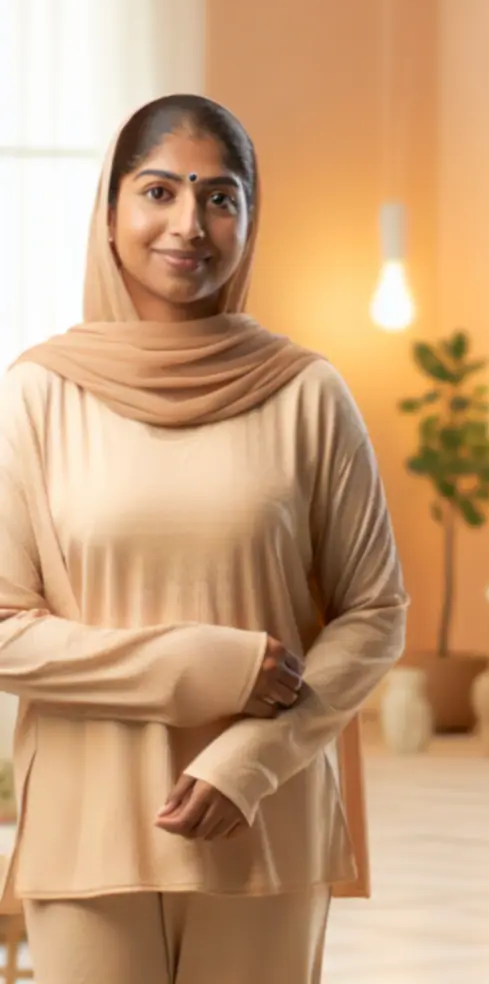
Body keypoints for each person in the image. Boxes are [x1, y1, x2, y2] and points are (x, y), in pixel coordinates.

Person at [0, 94, 408, 983]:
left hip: (265, 821)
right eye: (159, 192)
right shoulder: (36, 394)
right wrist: (203, 666)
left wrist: (251, 762)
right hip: (86, 829)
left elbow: (374, 615)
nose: (190, 224)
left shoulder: (306, 394)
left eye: (220, 198)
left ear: (249, 224)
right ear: (110, 215)